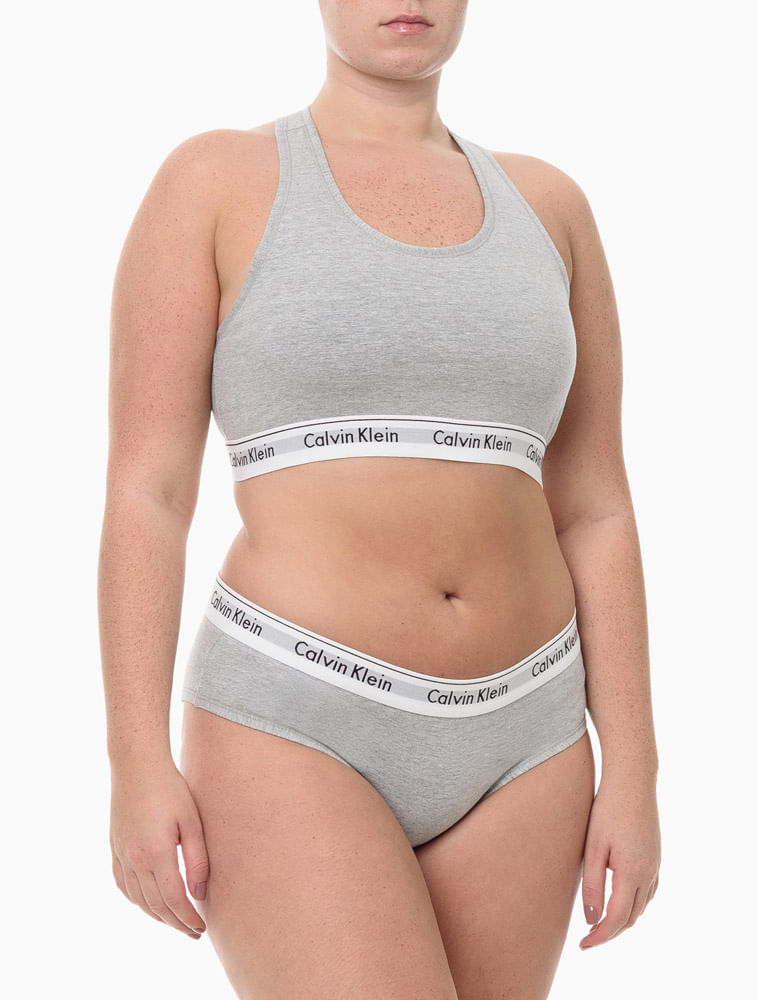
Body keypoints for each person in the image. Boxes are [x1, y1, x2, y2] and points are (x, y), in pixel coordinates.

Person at [99, 2, 661, 997]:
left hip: (529, 733)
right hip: (296, 717)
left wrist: (635, 770)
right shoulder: (217, 181)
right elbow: (149, 491)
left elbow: (596, 507)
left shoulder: (551, 207)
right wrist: (134, 761)